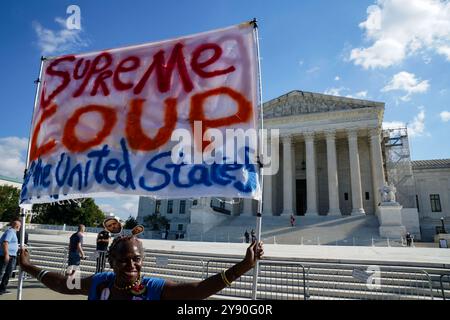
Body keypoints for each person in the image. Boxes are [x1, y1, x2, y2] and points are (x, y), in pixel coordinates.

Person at [19, 235, 264, 300]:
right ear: (111, 261)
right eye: (124, 259)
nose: (132, 264)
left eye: (136, 259)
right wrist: (28, 266)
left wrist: (242, 267)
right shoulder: (100, 282)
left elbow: (197, 290)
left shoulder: (152, 288)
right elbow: (62, 284)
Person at [0, 219, 21, 294]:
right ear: (17, 226)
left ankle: (2, 289)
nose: (19, 227)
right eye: (19, 226)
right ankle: (2, 289)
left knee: (7, 273)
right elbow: (5, 243)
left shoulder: (11, 232)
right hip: (8, 256)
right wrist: (6, 254)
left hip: (10, 255)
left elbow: (10, 243)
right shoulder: (11, 231)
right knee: (2, 273)